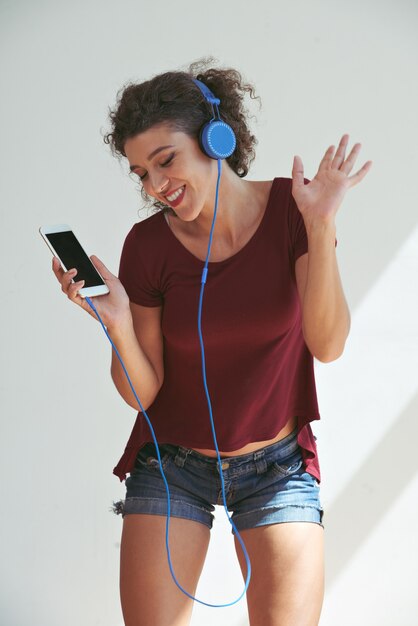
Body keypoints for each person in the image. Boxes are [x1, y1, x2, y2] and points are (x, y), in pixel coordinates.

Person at [52, 57, 372, 626]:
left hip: (277, 467)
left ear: (216, 137)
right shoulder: (148, 245)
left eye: (165, 161)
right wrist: (118, 325)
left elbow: (327, 344)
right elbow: (141, 394)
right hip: (173, 463)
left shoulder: (292, 214)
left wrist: (321, 228)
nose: (155, 186)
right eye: (141, 173)